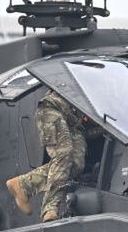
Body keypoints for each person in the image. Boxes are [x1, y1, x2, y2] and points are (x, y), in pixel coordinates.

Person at [6, 89, 88, 222]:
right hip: (52, 109)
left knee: (75, 165)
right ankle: (50, 209)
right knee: (64, 153)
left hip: (75, 124)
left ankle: (24, 184)